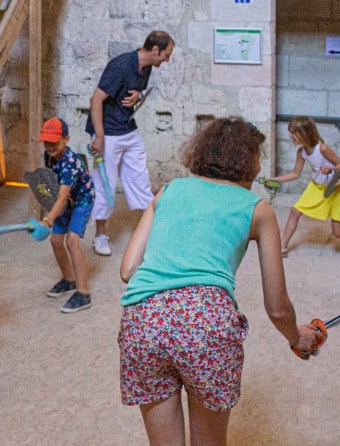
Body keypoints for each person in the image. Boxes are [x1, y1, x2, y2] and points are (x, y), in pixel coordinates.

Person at [118, 117, 322, 445]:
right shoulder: (258, 209)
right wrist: (295, 336)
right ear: (250, 162)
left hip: (143, 321)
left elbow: (128, 270)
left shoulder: (169, 191)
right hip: (206, 324)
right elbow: (278, 308)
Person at [85, 30, 175, 256]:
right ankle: (100, 236)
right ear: (155, 50)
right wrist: (99, 136)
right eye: (166, 54)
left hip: (128, 129)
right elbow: (96, 99)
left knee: (140, 180)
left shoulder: (146, 68)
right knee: (105, 185)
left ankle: (152, 232)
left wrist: (138, 96)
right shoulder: (121, 65)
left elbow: (134, 91)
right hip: (108, 132)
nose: (167, 59)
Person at [268, 116, 340, 259]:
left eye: (293, 132)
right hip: (316, 187)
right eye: (290, 132)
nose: (291, 136)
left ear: (305, 132)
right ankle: (282, 247)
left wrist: (330, 169)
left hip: (334, 189)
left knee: (337, 232)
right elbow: (295, 173)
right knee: (295, 212)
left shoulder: (322, 148)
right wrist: (275, 179)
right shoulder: (301, 152)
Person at [34, 117, 96, 313]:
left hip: (82, 200)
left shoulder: (69, 163)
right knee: (55, 240)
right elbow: (55, 189)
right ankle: (69, 280)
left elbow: (62, 197)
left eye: (55, 141)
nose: (50, 146)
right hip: (66, 201)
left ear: (66, 139)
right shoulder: (49, 156)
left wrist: (47, 219)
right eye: (47, 141)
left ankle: (83, 293)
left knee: (72, 241)